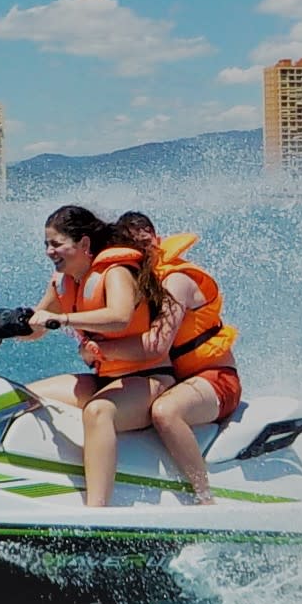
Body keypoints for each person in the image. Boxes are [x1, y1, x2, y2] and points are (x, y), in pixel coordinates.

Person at [22, 204, 175, 507]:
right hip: (105, 377)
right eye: (46, 244)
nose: (49, 252)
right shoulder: (64, 283)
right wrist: (0, 326)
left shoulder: (115, 272)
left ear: (84, 244)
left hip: (149, 381)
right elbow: (35, 327)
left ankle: (97, 511)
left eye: (56, 244)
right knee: (23, 397)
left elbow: (119, 316)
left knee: (98, 412)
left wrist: (64, 320)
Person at [93, 211, 241, 504]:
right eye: (137, 248)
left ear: (156, 239)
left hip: (217, 380)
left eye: (147, 243)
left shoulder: (176, 281)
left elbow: (158, 343)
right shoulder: (133, 285)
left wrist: (103, 350)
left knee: (165, 412)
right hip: (177, 381)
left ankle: (205, 496)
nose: (145, 253)